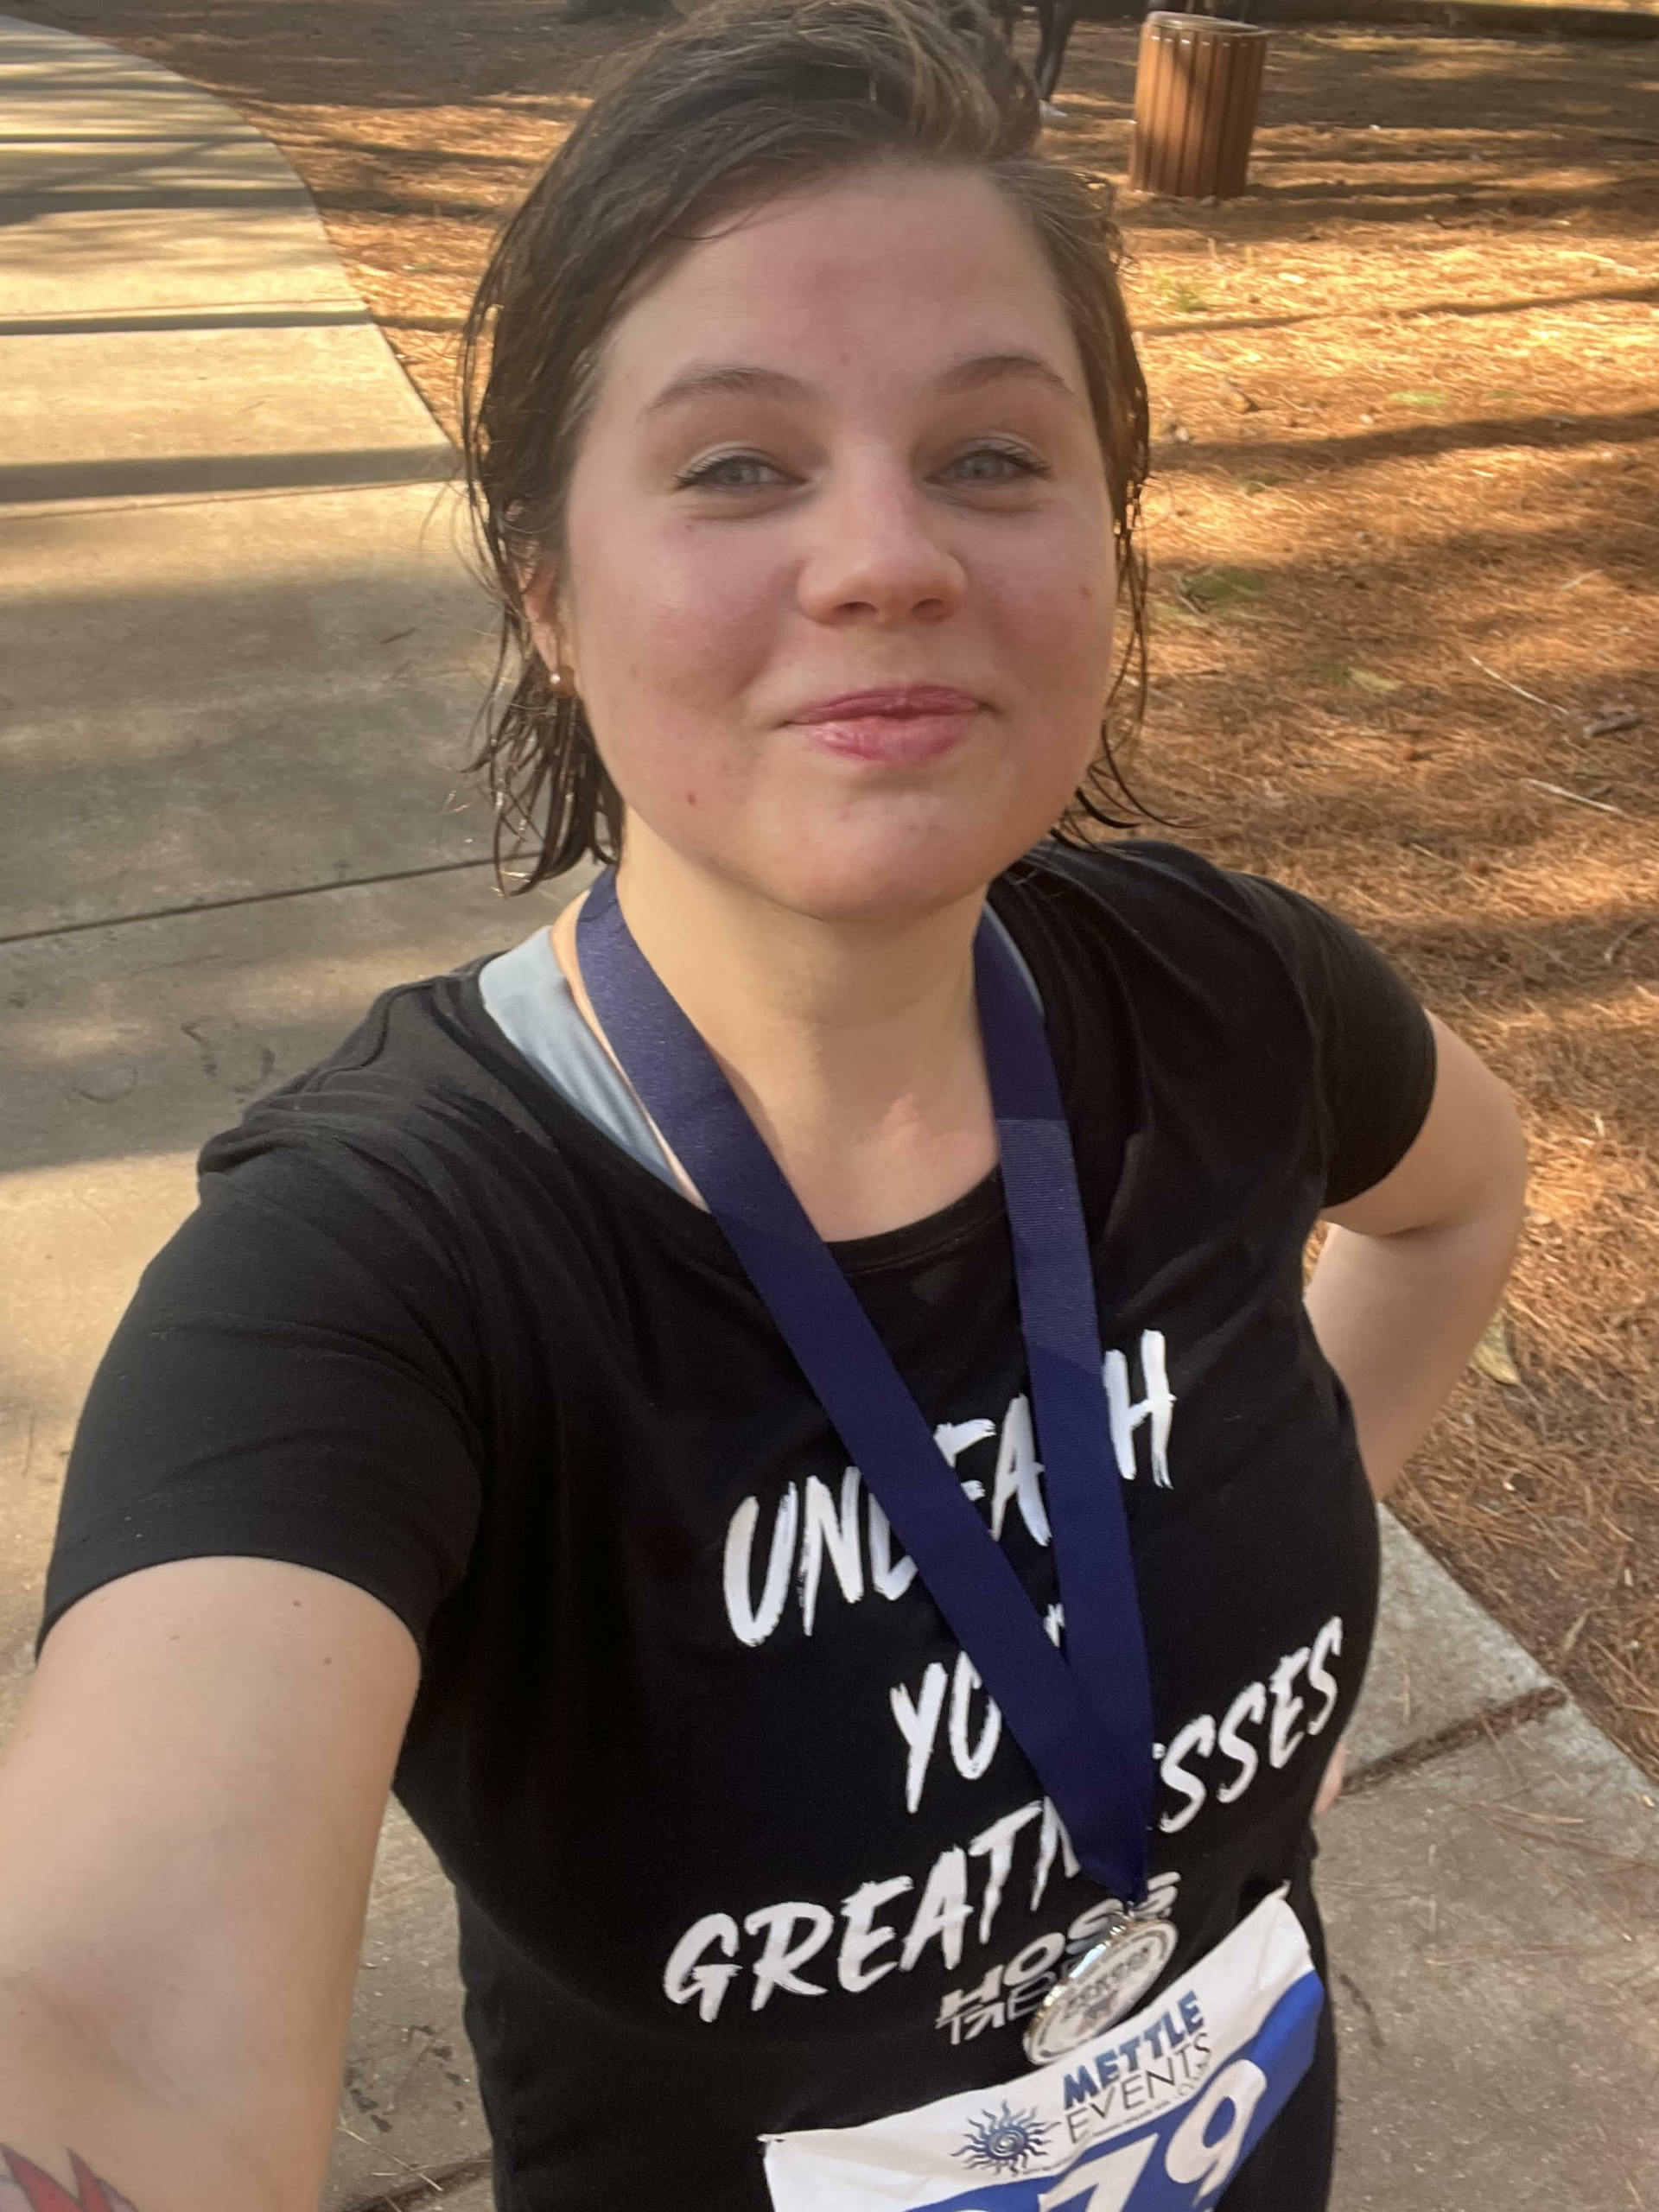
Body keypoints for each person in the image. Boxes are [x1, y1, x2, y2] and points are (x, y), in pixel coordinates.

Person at [0, 3, 1526, 2208]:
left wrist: (1279, 1597)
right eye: (736, 464)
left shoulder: (1235, 995)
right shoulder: (378, 1272)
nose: (889, 555)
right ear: (547, 590)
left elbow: (1454, 1203)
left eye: (992, 454)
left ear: (1108, 539)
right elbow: (118, 2014)